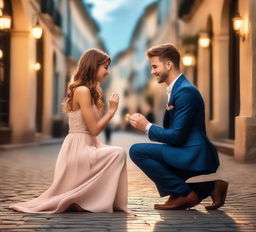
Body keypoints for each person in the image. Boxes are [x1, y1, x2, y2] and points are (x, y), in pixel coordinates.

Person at [9, 48, 127, 214]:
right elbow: (94, 130)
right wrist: (111, 111)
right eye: (105, 67)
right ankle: (92, 200)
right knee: (118, 153)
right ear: (94, 66)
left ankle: (90, 199)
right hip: (79, 150)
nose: (107, 73)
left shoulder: (88, 92)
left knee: (116, 153)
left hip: (87, 146)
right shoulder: (82, 91)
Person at [128, 43, 228, 210]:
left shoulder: (185, 91)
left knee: (136, 151)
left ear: (168, 64)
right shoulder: (176, 89)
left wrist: (147, 127)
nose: (152, 71)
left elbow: (177, 136)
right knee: (161, 168)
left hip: (193, 153)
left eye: (154, 66)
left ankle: (184, 195)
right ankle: (210, 187)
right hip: (186, 150)